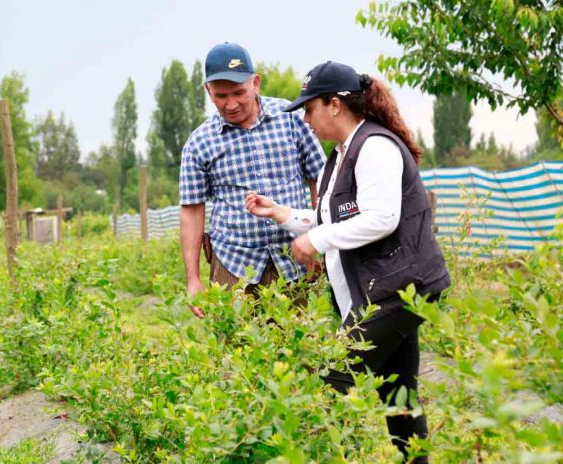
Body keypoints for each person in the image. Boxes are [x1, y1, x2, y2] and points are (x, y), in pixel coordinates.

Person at [245, 61, 451, 462]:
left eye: (310, 108)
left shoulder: (375, 147)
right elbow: (334, 221)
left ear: (335, 105)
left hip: (398, 292)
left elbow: (381, 217)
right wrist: (282, 214)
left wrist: (316, 240)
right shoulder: (338, 157)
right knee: (399, 396)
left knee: (332, 381)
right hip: (383, 293)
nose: (306, 119)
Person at [179, 43, 326, 317]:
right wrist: (193, 279)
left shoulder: (291, 119)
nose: (231, 104)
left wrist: (320, 241)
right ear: (208, 91)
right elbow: (191, 210)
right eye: (221, 95)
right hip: (233, 264)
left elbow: (320, 180)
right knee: (237, 349)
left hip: (295, 258)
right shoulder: (199, 143)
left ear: (255, 83)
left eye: (239, 92)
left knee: (301, 352)